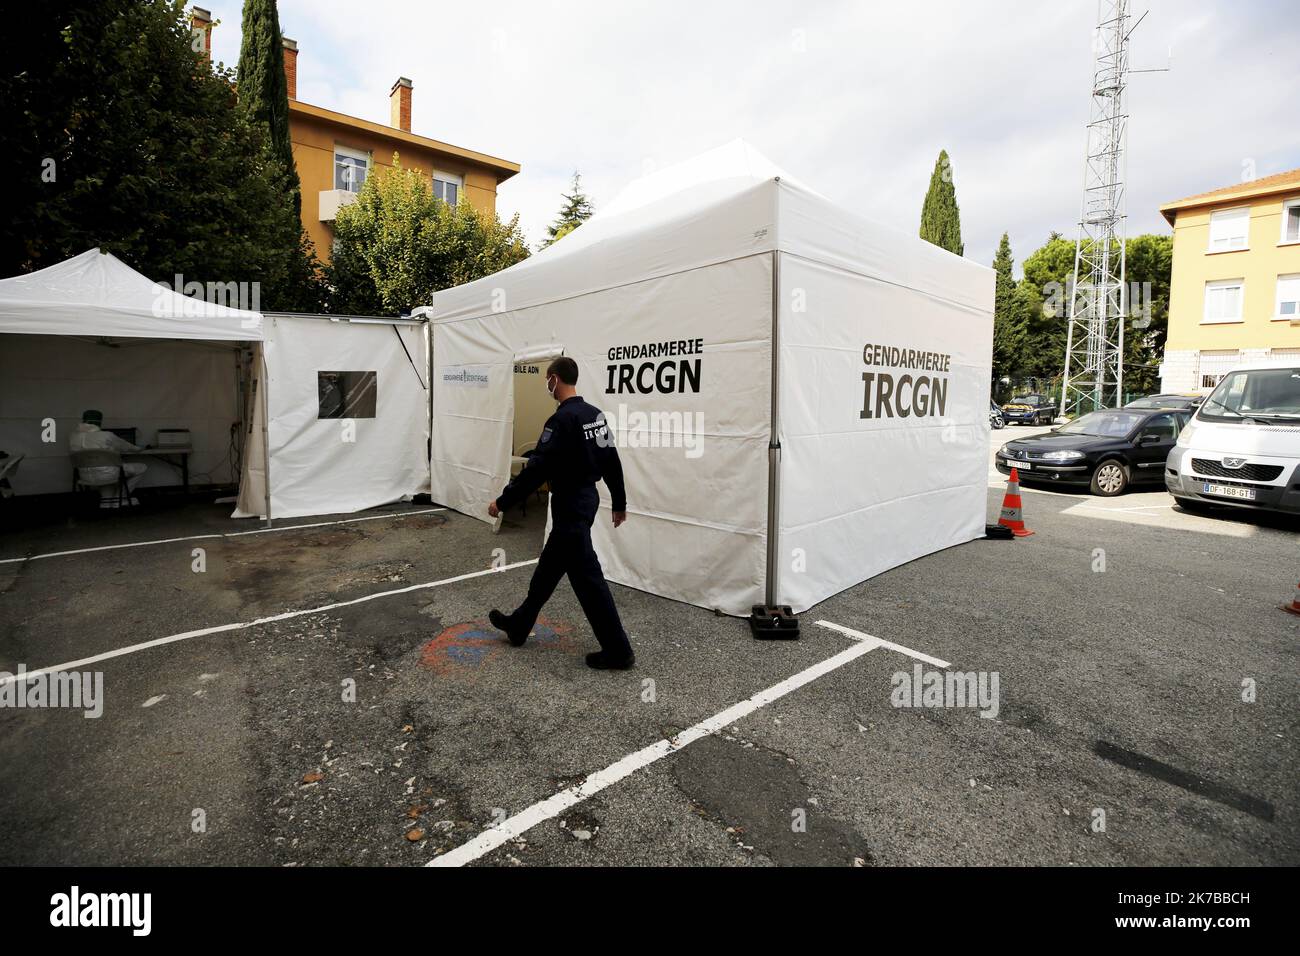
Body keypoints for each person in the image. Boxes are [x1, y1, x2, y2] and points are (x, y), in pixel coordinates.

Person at [487, 357, 635, 670]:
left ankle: (618, 650)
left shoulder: (560, 421)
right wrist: (619, 502)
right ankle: (519, 625)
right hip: (586, 500)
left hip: (570, 504)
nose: (547, 387)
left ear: (555, 379)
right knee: (549, 569)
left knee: (588, 580)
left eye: (547, 380)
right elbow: (611, 460)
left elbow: (536, 471)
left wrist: (503, 502)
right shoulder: (595, 415)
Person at [69, 410, 146, 505]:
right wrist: (139, 448)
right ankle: (120, 498)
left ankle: (107, 501)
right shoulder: (107, 435)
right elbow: (127, 447)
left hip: (84, 476)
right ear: (99, 422)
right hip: (108, 473)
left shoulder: (73, 437)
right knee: (141, 467)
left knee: (103, 472)